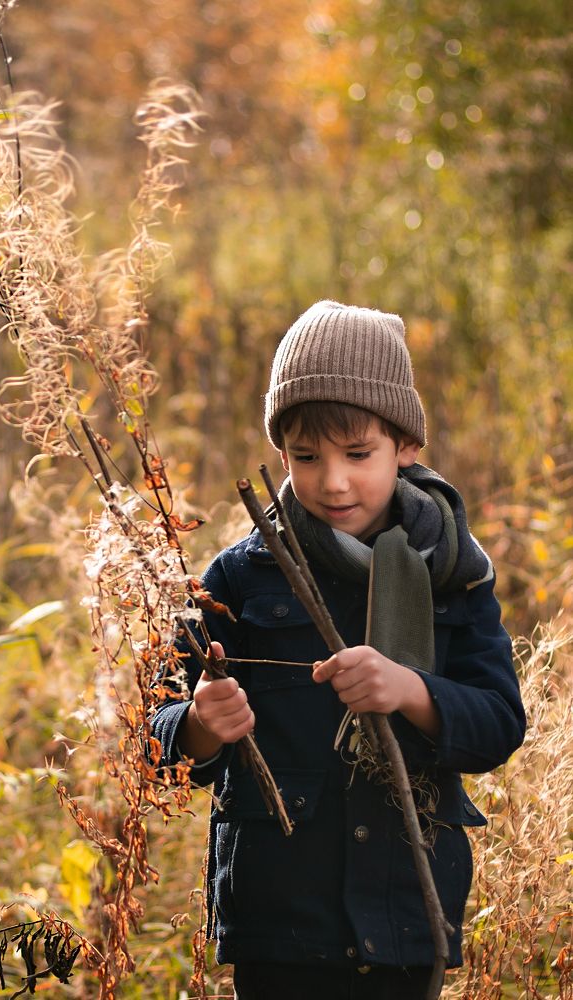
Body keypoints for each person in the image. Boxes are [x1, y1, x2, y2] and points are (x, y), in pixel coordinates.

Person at [151, 301, 526, 1000]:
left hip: (408, 915)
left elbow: (500, 723)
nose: (332, 481)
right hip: (279, 921)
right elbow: (156, 732)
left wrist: (413, 692)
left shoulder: (453, 572)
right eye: (305, 457)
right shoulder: (239, 575)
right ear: (280, 452)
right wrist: (200, 726)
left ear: (406, 445)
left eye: (358, 455)